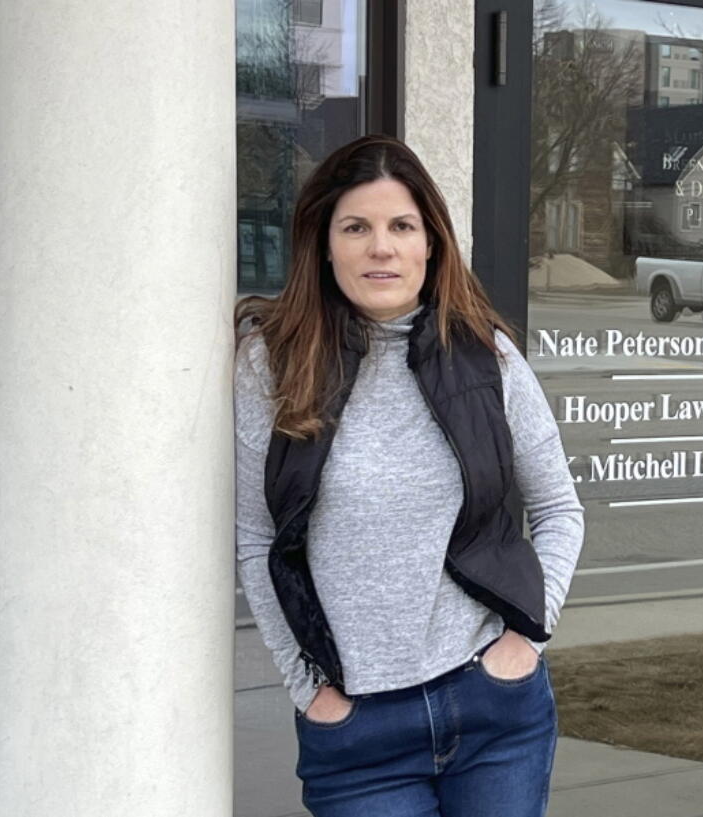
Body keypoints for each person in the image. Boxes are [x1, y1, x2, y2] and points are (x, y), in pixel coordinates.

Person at [233, 134, 585, 817]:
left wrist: (525, 642)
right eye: (356, 227)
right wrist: (310, 690)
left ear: (432, 243)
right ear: (324, 243)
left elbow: (559, 509)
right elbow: (255, 540)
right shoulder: (272, 364)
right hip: (358, 731)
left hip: (492, 712)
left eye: (401, 226)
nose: (381, 248)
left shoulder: (486, 355)